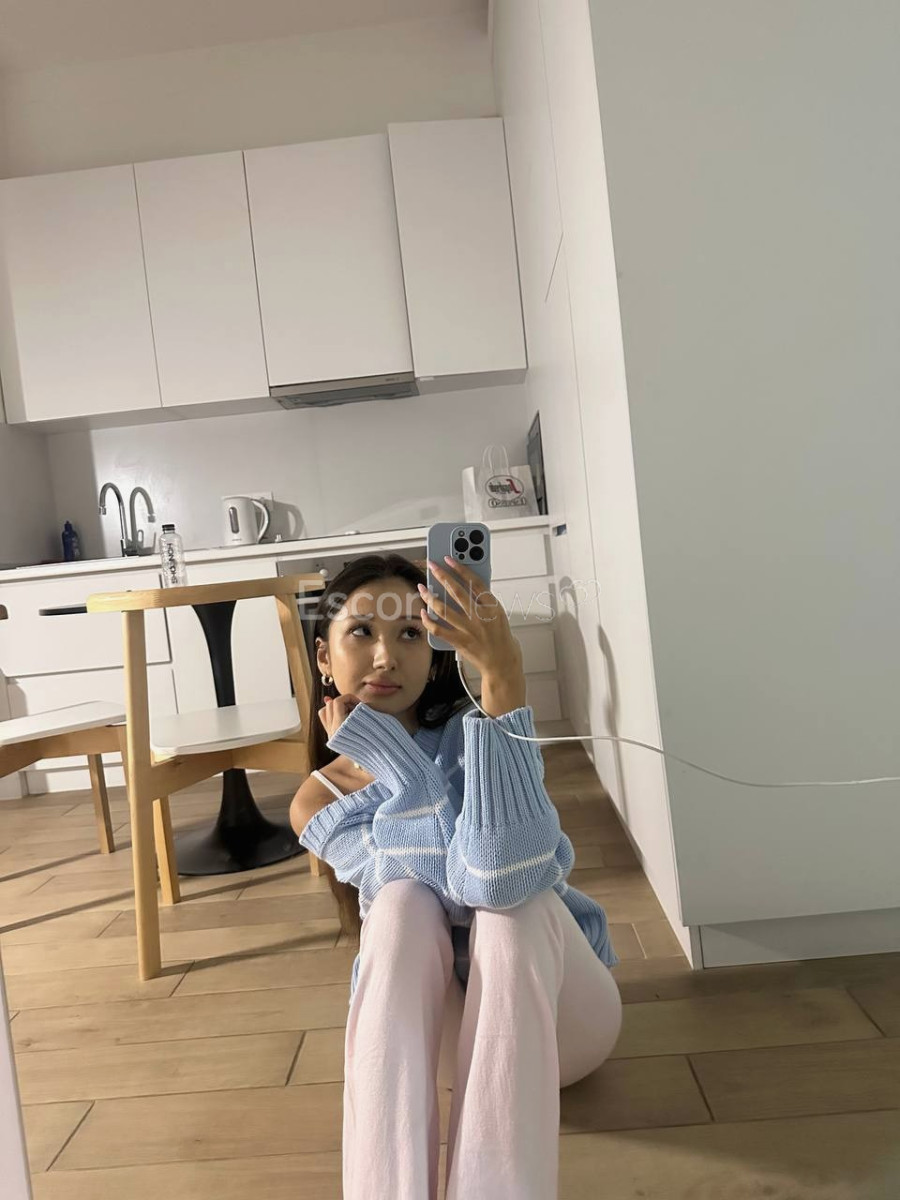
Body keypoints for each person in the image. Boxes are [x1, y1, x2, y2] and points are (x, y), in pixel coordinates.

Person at [289, 552, 622, 1200]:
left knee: (516, 907)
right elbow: (425, 873)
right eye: (362, 632)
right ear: (324, 656)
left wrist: (503, 677)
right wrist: (391, 759)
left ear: (436, 651)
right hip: (448, 1043)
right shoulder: (316, 801)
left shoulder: (479, 732)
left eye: (410, 633)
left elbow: (499, 876)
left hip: (564, 1021)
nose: (385, 656)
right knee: (400, 903)